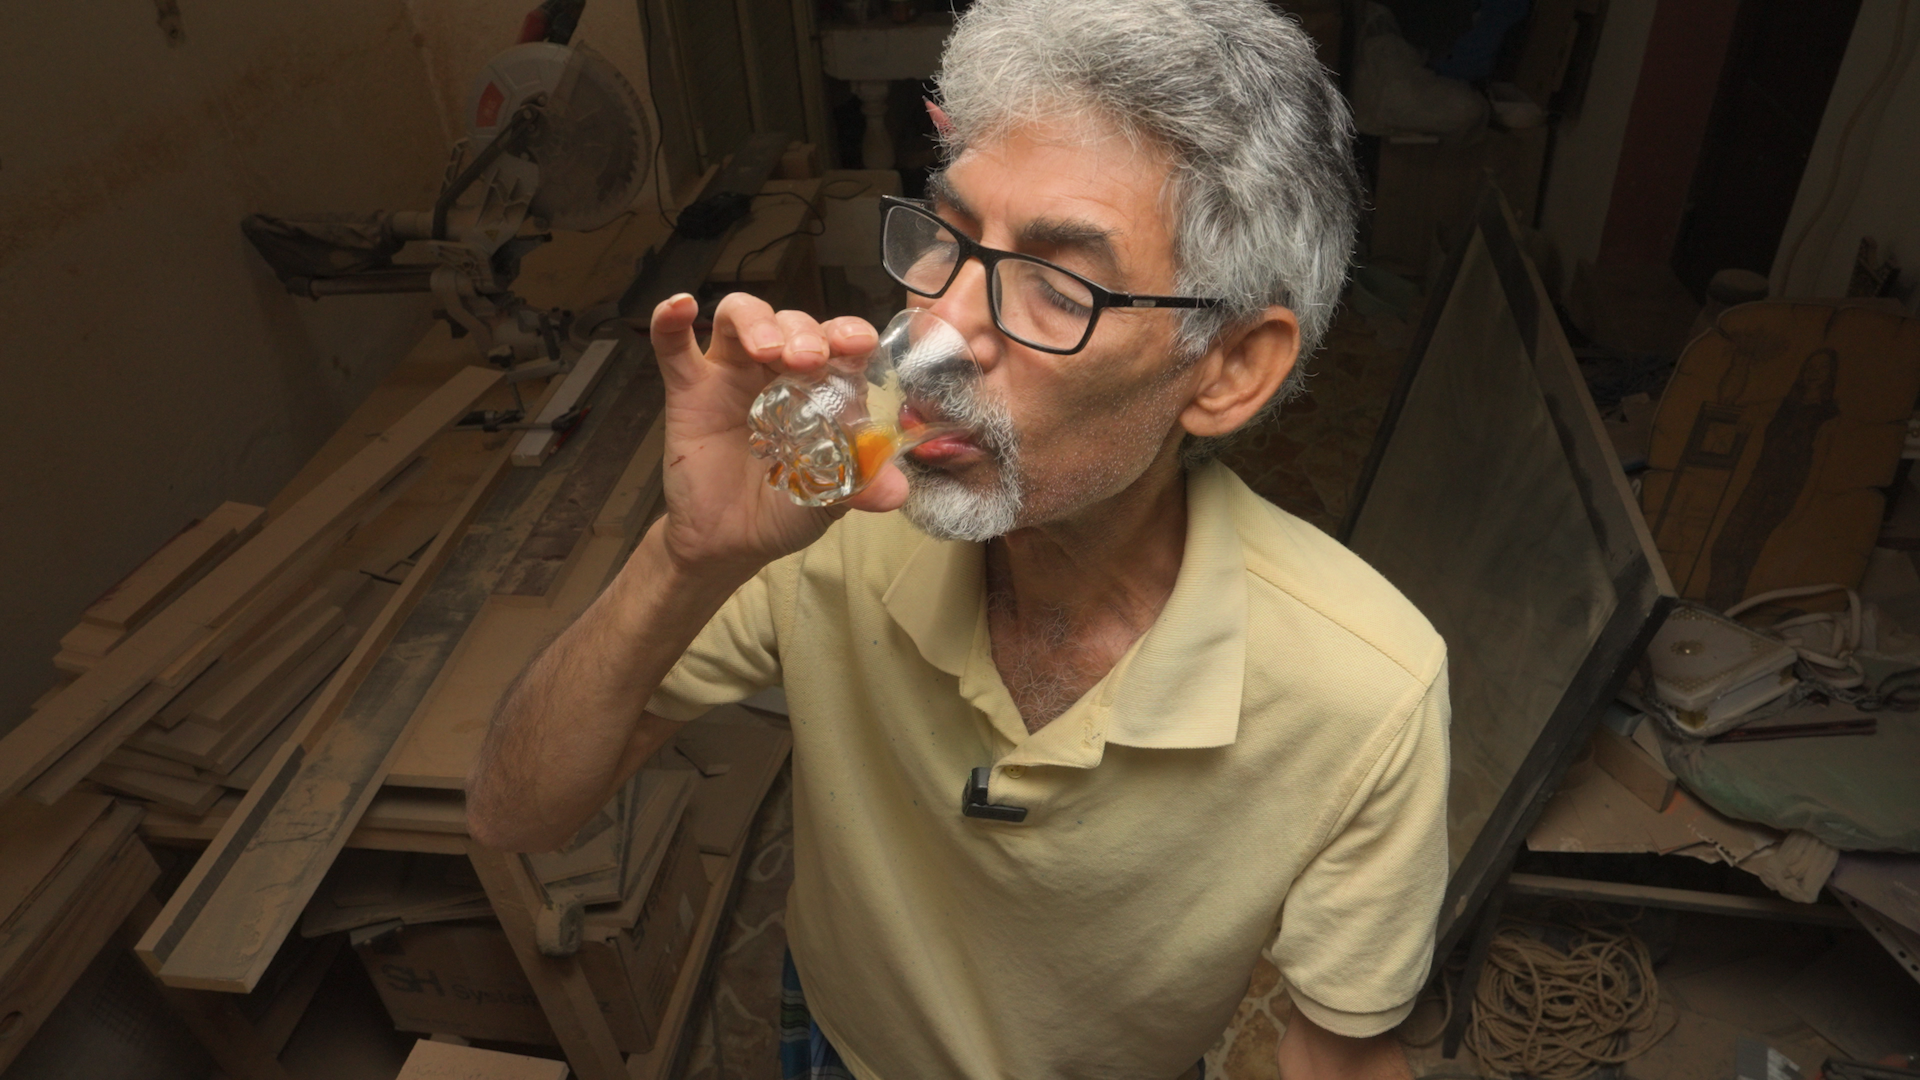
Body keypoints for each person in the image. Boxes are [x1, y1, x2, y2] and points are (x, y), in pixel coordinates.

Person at [467, 0, 1451, 1076]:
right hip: (844, 1041)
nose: (933, 336)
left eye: (1057, 286)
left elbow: (1340, 1056)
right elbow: (516, 814)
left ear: (1227, 370)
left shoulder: (1365, 695)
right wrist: (685, 556)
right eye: (948, 236)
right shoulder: (836, 520)